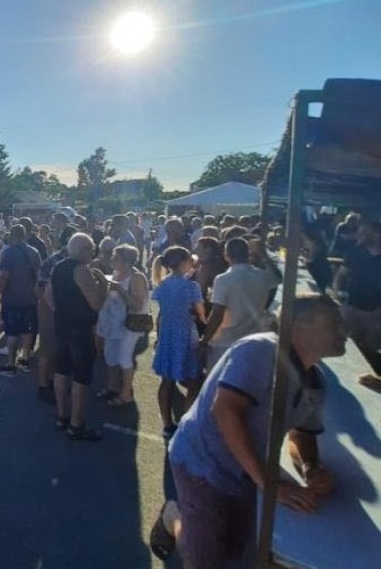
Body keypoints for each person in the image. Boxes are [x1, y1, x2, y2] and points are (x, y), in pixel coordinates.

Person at [151, 294, 344, 566]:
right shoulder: (260, 350)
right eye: (334, 323)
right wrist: (269, 484)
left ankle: (182, 519)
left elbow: (302, 433)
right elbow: (225, 409)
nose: (344, 332)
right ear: (298, 324)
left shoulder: (316, 383)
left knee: (234, 547)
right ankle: (173, 517)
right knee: (204, 559)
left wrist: (310, 466)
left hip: (244, 470)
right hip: (202, 462)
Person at [46, 233, 108, 441]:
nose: (93, 254)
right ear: (83, 250)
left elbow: (47, 294)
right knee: (82, 377)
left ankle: (61, 417)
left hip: (62, 326)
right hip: (80, 329)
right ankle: (76, 424)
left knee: (62, 371)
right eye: (92, 250)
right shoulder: (81, 270)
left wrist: (59, 311)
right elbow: (96, 304)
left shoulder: (58, 267)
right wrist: (102, 284)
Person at [151, 247, 206, 438]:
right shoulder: (192, 287)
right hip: (185, 334)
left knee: (166, 381)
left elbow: (161, 313)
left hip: (167, 334)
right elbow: (201, 313)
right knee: (194, 381)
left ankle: (167, 424)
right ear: (183, 262)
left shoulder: (162, 285)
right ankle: (184, 423)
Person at [200, 238, 279, 372]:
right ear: (248, 253)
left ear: (226, 255)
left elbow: (217, 313)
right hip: (253, 339)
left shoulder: (223, 279)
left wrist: (204, 340)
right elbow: (277, 277)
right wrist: (263, 254)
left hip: (224, 342)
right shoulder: (262, 276)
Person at [95, 244, 149, 406]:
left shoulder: (137, 277)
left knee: (124, 357)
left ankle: (126, 394)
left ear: (126, 261)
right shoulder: (116, 273)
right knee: (110, 355)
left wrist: (119, 289)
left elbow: (137, 305)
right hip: (113, 323)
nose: (111, 259)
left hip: (130, 324)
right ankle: (112, 386)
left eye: (115, 257)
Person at [334, 218, 381, 382]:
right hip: (351, 308)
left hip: (375, 314)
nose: (359, 234)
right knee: (347, 347)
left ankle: (368, 384)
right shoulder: (355, 252)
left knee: (368, 352)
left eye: (363, 230)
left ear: (376, 233)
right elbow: (341, 275)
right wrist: (339, 296)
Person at [0, 224, 42, 376]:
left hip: (12, 300)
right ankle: (24, 359)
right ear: (25, 235)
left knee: (12, 333)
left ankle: (11, 365)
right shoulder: (34, 252)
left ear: (11, 236)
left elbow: (3, 278)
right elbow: (39, 276)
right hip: (31, 299)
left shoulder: (7, 254)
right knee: (27, 331)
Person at [35, 225, 77, 404]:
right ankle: (43, 385)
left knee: (57, 348)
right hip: (49, 309)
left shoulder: (76, 262)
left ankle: (52, 379)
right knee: (47, 348)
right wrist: (53, 309)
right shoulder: (54, 261)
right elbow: (40, 288)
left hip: (63, 311)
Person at [303, 224, 332, 294]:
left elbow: (311, 259)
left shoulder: (313, 243)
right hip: (319, 268)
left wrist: (302, 256)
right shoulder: (312, 241)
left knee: (317, 291)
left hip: (319, 270)